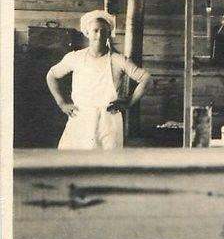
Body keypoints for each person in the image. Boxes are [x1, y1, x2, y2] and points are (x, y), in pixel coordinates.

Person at [46, 9, 151, 149]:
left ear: (109, 34)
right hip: (80, 119)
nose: (99, 35)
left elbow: (146, 78)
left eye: (103, 31)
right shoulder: (75, 58)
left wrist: (129, 102)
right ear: (87, 33)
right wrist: (62, 103)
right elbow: (51, 75)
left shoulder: (118, 60)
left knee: (107, 166)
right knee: (73, 163)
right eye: (95, 30)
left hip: (108, 122)